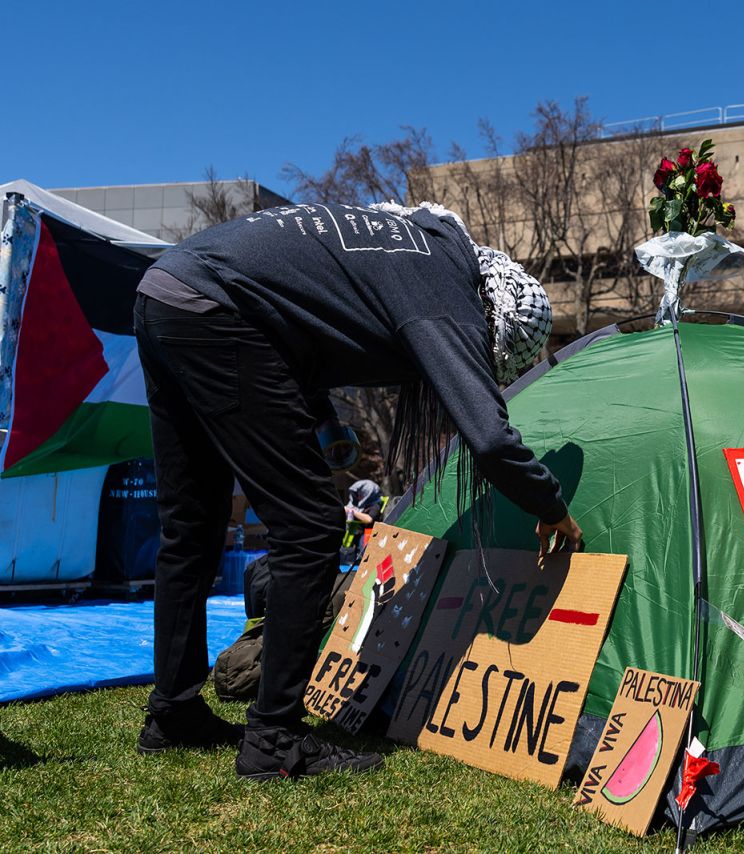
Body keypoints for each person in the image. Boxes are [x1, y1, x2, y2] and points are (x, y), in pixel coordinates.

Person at [133, 200, 582, 780]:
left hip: (164, 293)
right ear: (493, 317)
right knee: (311, 529)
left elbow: (289, 304)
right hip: (219, 312)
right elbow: (490, 441)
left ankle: (172, 713)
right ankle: (274, 739)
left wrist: (321, 421)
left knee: (190, 526)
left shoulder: (406, 247)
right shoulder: (448, 292)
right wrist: (550, 505)